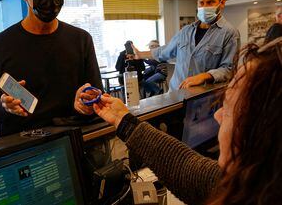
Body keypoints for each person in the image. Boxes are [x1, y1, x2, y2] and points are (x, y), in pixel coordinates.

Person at [93, 37, 282, 205]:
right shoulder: (247, 184)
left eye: (230, 109)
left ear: (265, 136)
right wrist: (122, 119)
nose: (218, 115)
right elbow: (188, 170)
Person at [0, 0, 103, 137]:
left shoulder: (81, 39)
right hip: (24, 148)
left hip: (72, 140)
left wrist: (87, 102)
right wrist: (4, 107)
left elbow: (97, 93)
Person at [133, 0, 240, 91]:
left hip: (202, 98)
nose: (204, 7)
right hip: (175, 94)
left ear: (222, 3)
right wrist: (140, 54)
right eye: (201, 3)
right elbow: (165, 51)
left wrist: (204, 76)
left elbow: (228, 70)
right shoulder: (186, 31)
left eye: (210, 2)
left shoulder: (229, 33)